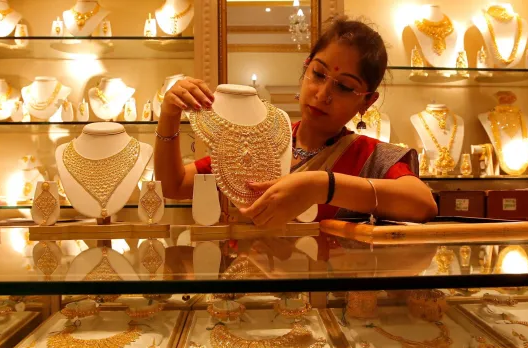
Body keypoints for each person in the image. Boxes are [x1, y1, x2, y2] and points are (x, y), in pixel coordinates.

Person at [154, 16, 438, 228]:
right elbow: (173, 185)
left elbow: (423, 204)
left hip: (325, 302)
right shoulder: (257, 140)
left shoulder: (371, 158)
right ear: (306, 68)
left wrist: (320, 186)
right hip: (249, 298)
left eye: (344, 87)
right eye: (318, 74)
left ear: (366, 101)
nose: (323, 94)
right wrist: (169, 116)